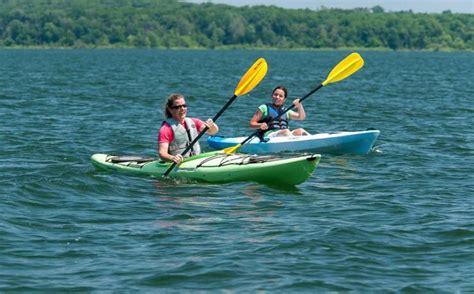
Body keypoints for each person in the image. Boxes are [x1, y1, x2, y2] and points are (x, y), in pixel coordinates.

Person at [158, 94, 219, 164]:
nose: (182, 109)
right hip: (177, 164)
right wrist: (173, 158)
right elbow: (162, 153)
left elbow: (212, 132)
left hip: (195, 160)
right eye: (178, 107)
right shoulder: (166, 129)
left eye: (184, 106)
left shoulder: (194, 122)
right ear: (170, 109)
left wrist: (212, 125)